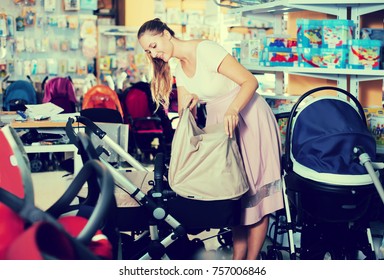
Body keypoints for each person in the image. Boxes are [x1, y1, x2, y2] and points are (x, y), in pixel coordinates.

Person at [137, 18, 283, 260]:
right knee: (234, 193)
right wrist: (191, 108)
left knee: (257, 196)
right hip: (221, 126)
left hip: (247, 117)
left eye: (153, 45)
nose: (153, 53)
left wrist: (233, 110)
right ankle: (238, 260)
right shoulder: (180, 69)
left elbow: (250, 81)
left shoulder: (206, 49)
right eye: (147, 51)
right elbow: (186, 113)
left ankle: (251, 263)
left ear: (165, 34)